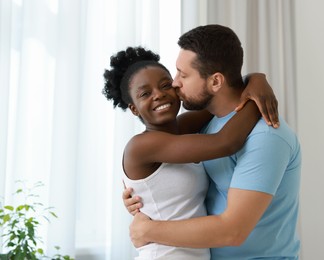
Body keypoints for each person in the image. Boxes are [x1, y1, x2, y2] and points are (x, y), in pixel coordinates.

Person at [127, 24, 301, 260]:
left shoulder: (266, 137)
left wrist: (148, 230)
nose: (175, 83)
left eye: (183, 75)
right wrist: (141, 197)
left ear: (216, 82)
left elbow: (234, 232)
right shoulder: (208, 122)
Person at [102, 46, 278, 259]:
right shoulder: (141, 146)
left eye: (166, 85)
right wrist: (256, 99)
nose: (158, 95)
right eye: (145, 93)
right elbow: (226, 142)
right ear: (134, 109)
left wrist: (256, 79)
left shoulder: (181, 129)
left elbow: (222, 98)